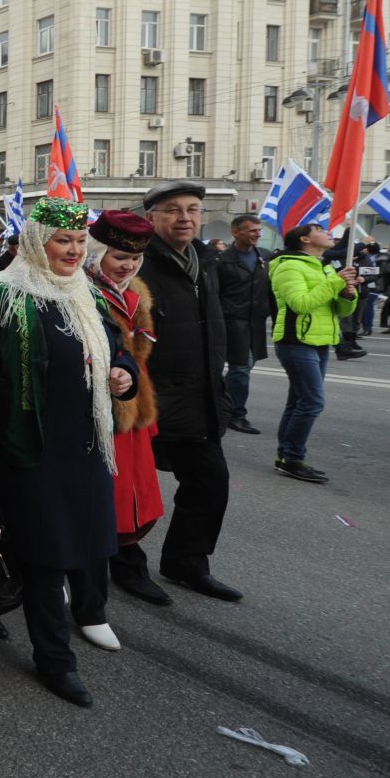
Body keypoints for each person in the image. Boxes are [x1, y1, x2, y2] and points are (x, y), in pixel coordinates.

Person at [0, 198, 139, 707]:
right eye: (64, 241)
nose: (74, 250)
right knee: (45, 558)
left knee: (82, 546)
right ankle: (55, 660)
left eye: (81, 242)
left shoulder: (88, 292)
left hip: (86, 447)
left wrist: (124, 376)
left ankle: (6, 607)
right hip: (31, 448)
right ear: (36, 243)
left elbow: (116, 347)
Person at [126, 180, 241, 605]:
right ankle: (126, 564)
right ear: (152, 217)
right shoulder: (135, 265)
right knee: (132, 492)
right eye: (172, 209)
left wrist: (223, 393)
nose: (184, 217)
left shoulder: (206, 262)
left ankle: (187, 562)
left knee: (211, 484)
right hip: (146, 404)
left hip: (200, 399)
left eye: (192, 209)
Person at [83, 210, 164, 653]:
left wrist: (135, 361)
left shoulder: (135, 292)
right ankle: (75, 589)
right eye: (119, 255)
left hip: (131, 408)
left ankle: (91, 582)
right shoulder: (79, 291)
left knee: (128, 502)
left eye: (135, 257)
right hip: (92, 413)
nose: (127, 265)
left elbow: (146, 337)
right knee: (94, 505)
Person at [267, 224, 360, 482]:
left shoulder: (324, 266)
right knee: (312, 402)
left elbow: (340, 311)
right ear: (304, 239)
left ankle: (285, 457)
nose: (328, 232)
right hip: (295, 341)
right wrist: (335, 281)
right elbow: (300, 304)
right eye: (319, 229)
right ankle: (293, 459)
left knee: (298, 402)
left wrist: (347, 294)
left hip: (320, 341)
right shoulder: (288, 266)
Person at [213, 214, 273, 435]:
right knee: (241, 368)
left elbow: (269, 291)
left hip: (255, 323)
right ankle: (236, 414)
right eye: (252, 230)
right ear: (236, 233)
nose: (258, 234)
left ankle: (223, 404)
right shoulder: (221, 261)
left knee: (244, 367)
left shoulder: (264, 257)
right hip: (232, 323)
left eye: (259, 230)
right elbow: (214, 294)